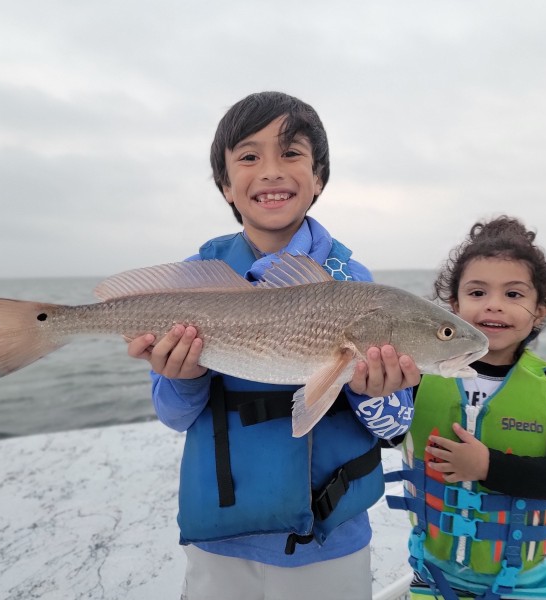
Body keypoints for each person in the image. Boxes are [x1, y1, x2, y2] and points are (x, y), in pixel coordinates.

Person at [126, 91, 421, 600]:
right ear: (226, 185)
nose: (270, 171)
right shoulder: (193, 281)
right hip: (222, 539)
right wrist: (184, 374)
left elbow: (395, 425)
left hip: (331, 542)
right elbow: (174, 416)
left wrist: (376, 393)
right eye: (248, 156)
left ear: (319, 177)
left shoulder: (355, 286)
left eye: (291, 153)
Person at [386, 216, 546, 600]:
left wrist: (487, 467)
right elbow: (386, 435)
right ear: (453, 306)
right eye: (477, 293)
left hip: (524, 587)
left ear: (541, 310)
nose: (493, 306)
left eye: (513, 295)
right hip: (432, 577)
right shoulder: (417, 377)